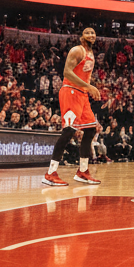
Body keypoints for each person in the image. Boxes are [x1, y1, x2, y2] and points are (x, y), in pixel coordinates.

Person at [42, 27, 102, 187]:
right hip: (71, 91)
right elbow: (67, 72)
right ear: (82, 37)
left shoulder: (91, 53)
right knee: (69, 131)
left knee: (90, 129)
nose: (91, 34)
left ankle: (83, 171)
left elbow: (83, 76)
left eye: (93, 32)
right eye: (88, 32)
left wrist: (90, 87)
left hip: (82, 94)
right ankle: (50, 173)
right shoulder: (77, 50)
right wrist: (89, 87)